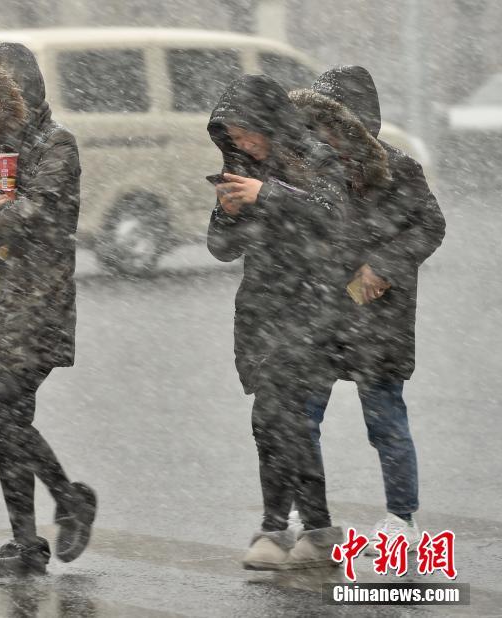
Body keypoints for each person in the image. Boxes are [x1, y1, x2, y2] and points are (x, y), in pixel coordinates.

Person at [0, 42, 96, 577]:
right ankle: (27, 543)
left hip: (38, 299)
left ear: (20, 91)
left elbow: (41, 214)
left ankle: (70, 499)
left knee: (7, 414)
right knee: (5, 427)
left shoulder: (57, 143)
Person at [292, 66, 445, 552]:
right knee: (301, 415)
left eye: (333, 123)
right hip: (320, 311)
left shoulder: (398, 168)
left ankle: (402, 517)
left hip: (376, 314)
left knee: (385, 422)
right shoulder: (310, 168)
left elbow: (430, 226)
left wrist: (382, 265)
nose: (324, 134)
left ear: (360, 122)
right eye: (317, 124)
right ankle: (308, 511)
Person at [206, 74, 348, 570]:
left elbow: (334, 216)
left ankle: (273, 529)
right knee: (285, 425)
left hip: (313, 307)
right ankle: (318, 528)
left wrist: (267, 194)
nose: (243, 144)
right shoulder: (241, 170)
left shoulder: (318, 158)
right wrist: (227, 212)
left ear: (272, 124)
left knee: (273, 418)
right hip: (260, 311)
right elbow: (221, 250)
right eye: (234, 137)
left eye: (250, 134)